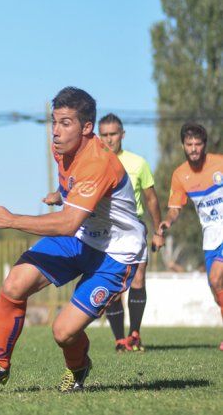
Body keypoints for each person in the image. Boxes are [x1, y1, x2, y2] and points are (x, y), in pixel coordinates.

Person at [0, 87, 147, 392]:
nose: (56, 132)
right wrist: (61, 195)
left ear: (87, 127)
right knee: (14, 284)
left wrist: (11, 220)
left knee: (63, 332)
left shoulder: (98, 162)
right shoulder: (61, 149)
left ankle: (78, 369)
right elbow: (73, 195)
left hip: (115, 253)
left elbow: (66, 222)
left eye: (66, 123)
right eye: (54, 122)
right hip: (81, 236)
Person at [98, 113, 164, 352]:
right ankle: (119, 339)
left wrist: (158, 231)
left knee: (138, 278)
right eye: (104, 135)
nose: (108, 139)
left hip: (133, 227)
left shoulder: (138, 163)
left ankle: (134, 333)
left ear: (122, 135)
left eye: (113, 134)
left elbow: (151, 199)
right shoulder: (93, 163)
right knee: (113, 284)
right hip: (105, 230)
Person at [158, 122, 223, 352]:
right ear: (183, 146)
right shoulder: (180, 175)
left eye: (198, 144)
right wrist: (168, 221)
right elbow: (175, 208)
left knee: (217, 278)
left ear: (204, 145)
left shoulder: (220, 163)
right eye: (189, 144)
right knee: (216, 289)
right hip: (211, 236)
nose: (194, 148)